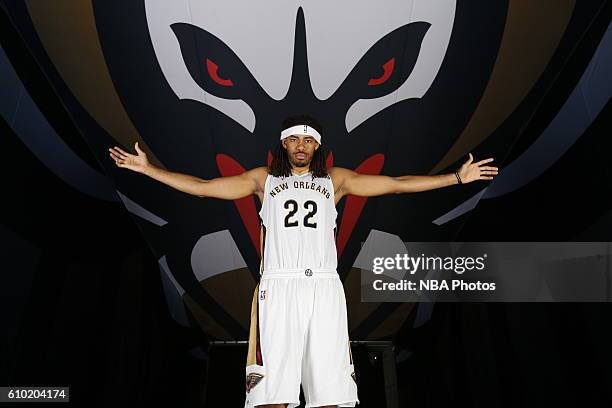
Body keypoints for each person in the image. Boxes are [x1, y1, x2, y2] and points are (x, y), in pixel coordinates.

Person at [108, 114, 498, 408]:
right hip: (279, 287)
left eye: (306, 140)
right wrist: (149, 170)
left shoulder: (336, 180)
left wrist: (456, 180)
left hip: (324, 287)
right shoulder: (264, 181)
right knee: (270, 396)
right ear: (283, 145)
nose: (299, 145)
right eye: (292, 139)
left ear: (317, 147)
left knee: (331, 396)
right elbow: (205, 190)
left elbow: (397, 184)